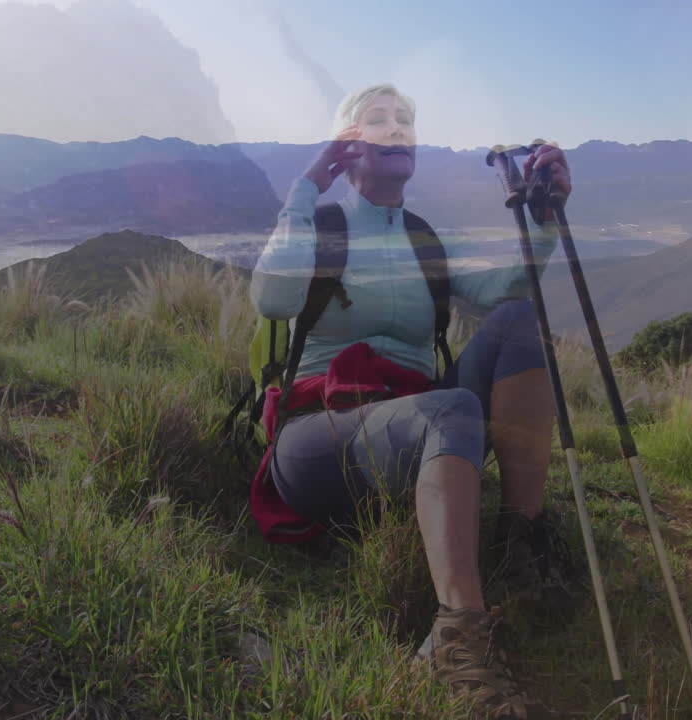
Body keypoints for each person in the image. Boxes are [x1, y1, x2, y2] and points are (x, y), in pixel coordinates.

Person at [250, 83, 574, 720]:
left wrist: (544, 222)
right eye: (377, 120)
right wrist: (304, 191)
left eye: (405, 122)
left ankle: (519, 542)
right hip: (320, 439)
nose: (396, 129)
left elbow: (505, 288)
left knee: (515, 319)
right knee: (452, 406)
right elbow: (273, 300)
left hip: (419, 435)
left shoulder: (426, 239)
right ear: (347, 144)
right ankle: (456, 640)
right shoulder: (322, 226)